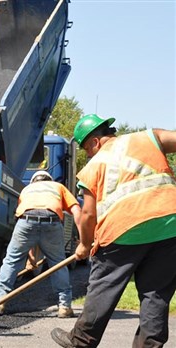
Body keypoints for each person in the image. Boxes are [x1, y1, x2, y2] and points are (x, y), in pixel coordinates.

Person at [51, 114, 176, 348]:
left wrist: (85, 245)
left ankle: (80, 341)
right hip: (169, 226)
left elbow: (88, 215)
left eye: (87, 149)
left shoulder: (93, 167)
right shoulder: (149, 137)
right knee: (155, 294)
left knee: (104, 285)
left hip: (122, 230)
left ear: (96, 142)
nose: (88, 155)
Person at [0, 170, 81, 318]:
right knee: (58, 263)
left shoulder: (26, 190)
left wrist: (30, 257)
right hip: (51, 221)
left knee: (11, 260)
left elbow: (30, 224)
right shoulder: (58, 186)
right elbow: (77, 210)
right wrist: (82, 239)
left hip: (25, 221)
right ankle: (64, 306)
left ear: (34, 181)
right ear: (49, 180)